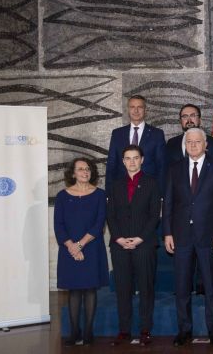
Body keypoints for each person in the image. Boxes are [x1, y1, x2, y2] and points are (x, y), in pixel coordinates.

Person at [163, 128, 213, 346]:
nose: (192, 145)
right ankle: (184, 330)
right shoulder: (175, 169)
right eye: (188, 141)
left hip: (209, 235)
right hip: (180, 236)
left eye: (197, 141)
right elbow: (168, 203)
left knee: (211, 286)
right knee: (182, 287)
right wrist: (167, 233)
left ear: (205, 145)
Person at [106, 145, 161, 346]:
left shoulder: (152, 183)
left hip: (144, 244)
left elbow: (155, 215)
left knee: (146, 288)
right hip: (119, 245)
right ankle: (124, 331)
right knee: (123, 289)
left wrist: (140, 238)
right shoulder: (115, 185)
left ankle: (145, 330)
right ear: (123, 161)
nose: (132, 162)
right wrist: (118, 238)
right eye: (128, 158)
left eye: (135, 158)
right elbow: (110, 214)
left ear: (142, 160)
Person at [54, 158, 108, 346]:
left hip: (91, 247)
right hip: (68, 249)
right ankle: (74, 332)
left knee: (90, 289)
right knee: (74, 290)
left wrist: (80, 245)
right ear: (73, 173)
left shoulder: (100, 194)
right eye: (81, 169)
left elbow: (99, 224)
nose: (85, 172)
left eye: (88, 169)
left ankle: (88, 332)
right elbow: (58, 225)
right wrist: (72, 246)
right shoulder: (62, 196)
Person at [106, 95, 166, 194]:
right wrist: (108, 193)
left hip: (148, 190)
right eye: (132, 107)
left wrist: (161, 194)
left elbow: (161, 166)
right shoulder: (117, 133)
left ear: (145, 110)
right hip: (122, 189)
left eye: (140, 107)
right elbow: (111, 164)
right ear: (128, 110)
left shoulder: (157, 134)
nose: (136, 110)